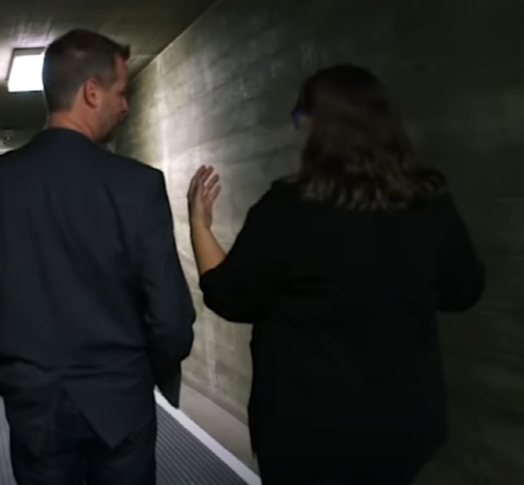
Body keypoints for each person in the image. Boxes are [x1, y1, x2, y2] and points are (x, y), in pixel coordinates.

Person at [186, 65, 486, 485]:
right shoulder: (428, 199)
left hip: (307, 432)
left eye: (299, 118)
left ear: (315, 124)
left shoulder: (288, 207)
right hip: (404, 427)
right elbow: (462, 290)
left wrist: (199, 224)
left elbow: (230, 296)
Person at [0, 29, 196, 485]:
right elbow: (171, 320)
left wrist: (5, 376)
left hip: (36, 408)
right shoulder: (138, 186)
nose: (126, 106)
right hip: (120, 403)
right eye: (121, 92)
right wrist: (145, 374)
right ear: (91, 92)